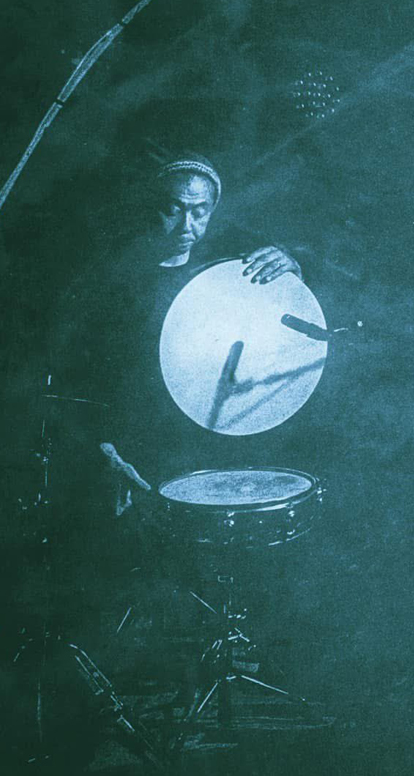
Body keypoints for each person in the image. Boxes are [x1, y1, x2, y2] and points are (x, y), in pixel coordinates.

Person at [56, 154, 302, 515]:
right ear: (151, 206)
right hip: (134, 456)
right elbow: (73, 381)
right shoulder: (113, 282)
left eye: (200, 212)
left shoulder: (226, 275)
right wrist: (102, 452)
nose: (187, 225)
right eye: (173, 210)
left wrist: (291, 271)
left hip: (205, 452)